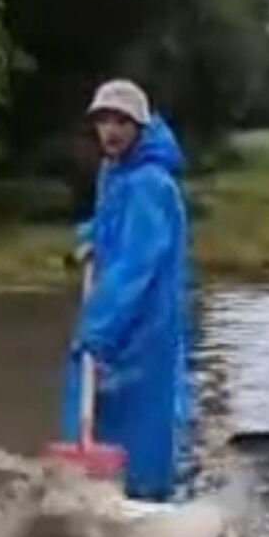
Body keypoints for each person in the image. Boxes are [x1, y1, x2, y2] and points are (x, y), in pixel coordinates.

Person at [63, 79, 190, 502]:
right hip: (117, 314)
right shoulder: (115, 172)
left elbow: (136, 266)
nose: (111, 131)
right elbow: (112, 223)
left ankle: (145, 496)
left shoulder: (151, 185)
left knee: (141, 415)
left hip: (143, 322)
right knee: (101, 406)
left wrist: (98, 332)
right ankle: (102, 488)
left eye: (122, 121)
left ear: (141, 127)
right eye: (104, 120)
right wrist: (91, 238)